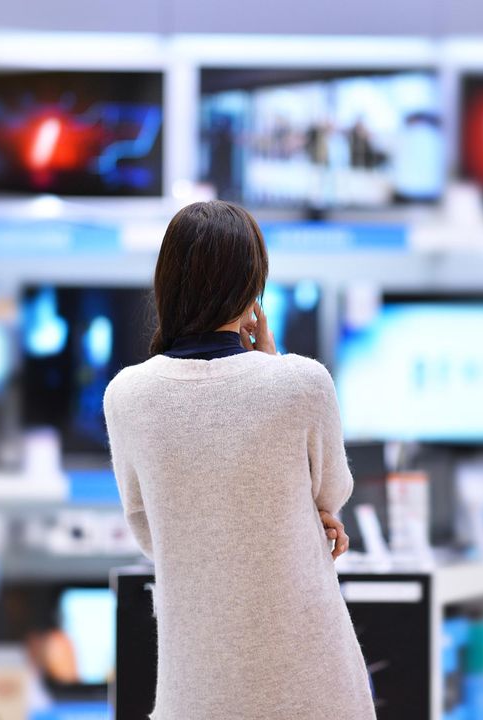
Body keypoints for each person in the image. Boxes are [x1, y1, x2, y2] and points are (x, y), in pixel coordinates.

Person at [103, 200, 375, 719]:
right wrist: (271, 366)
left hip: (198, 689)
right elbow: (331, 493)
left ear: (167, 283)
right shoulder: (301, 383)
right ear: (253, 290)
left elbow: (148, 533)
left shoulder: (127, 396)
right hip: (314, 684)